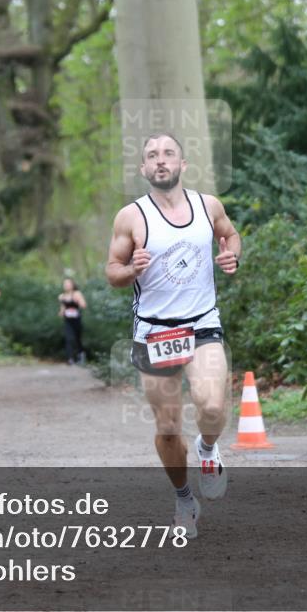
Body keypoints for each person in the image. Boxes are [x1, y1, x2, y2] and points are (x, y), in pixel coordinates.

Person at [105, 132, 241, 539]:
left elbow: (229, 233)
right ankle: (184, 498)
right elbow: (112, 270)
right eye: (152, 156)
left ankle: (207, 449)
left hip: (202, 322)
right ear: (143, 169)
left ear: (182, 164)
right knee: (167, 428)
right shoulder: (131, 216)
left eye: (168, 154)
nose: (160, 161)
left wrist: (231, 253)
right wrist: (132, 269)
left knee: (212, 406)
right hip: (154, 332)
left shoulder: (208, 205)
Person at [58, 278, 87, 365]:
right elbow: (63, 308)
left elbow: (84, 305)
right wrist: (61, 312)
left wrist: (77, 300)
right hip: (68, 320)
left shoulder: (77, 294)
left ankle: (81, 355)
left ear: (72, 285)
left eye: (68, 283)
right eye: (65, 284)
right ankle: (70, 358)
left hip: (76, 320)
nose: (66, 285)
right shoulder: (62, 296)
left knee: (77, 339)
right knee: (68, 338)